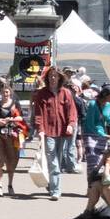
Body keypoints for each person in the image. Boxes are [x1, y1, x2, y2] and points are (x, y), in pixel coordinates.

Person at [32, 67, 77, 201]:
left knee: (59, 159)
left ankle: (52, 183)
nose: (53, 78)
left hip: (63, 131)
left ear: (59, 78)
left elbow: (72, 111)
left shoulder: (66, 93)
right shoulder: (42, 94)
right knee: (53, 161)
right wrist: (40, 129)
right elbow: (38, 113)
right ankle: (56, 190)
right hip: (48, 131)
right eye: (50, 76)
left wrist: (70, 124)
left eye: (55, 76)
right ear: (47, 78)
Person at [0, 84, 26, 196]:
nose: (5, 94)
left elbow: (21, 118)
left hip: (12, 135)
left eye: (7, 92)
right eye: (3, 92)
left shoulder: (15, 105)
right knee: (0, 158)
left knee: (12, 159)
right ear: (0, 93)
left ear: (10, 93)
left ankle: (10, 185)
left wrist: (11, 119)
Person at [81, 85, 110, 177]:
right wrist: (103, 135)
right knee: (93, 161)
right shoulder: (93, 104)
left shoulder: (109, 105)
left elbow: (106, 119)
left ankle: (96, 187)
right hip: (90, 133)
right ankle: (90, 186)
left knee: (100, 161)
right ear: (105, 95)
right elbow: (90, 123)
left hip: (102, 134)